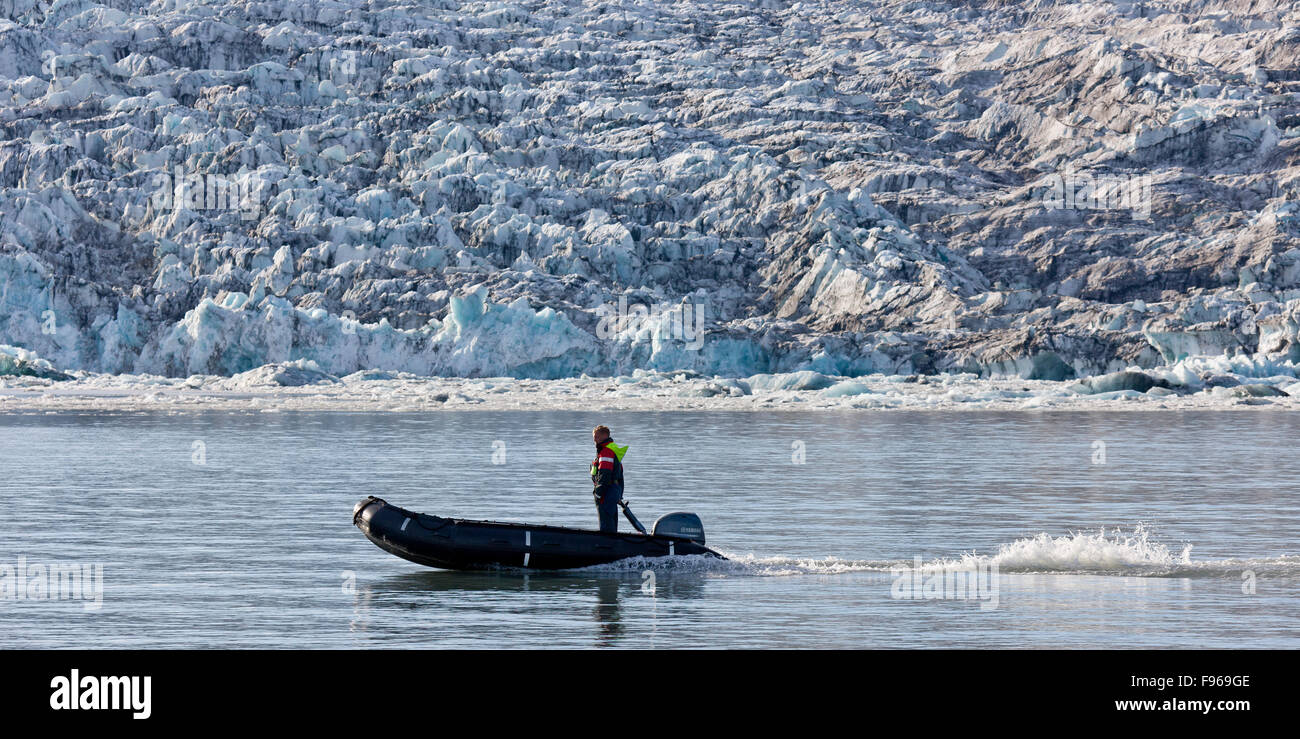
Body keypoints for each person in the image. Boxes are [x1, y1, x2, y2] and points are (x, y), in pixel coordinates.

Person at [590, 425, 627, 533]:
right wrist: (619, 494)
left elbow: (605, 474)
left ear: (605, 436)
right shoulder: (612, 449)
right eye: (594, 436)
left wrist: (598, 493)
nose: (594, 439)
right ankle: (613, 543)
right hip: (613, 490)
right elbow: (620, 476)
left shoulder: (606, 451)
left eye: (597, 436)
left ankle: (608, 544)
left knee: (606, 521)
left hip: (607, 490)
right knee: (611, 519)